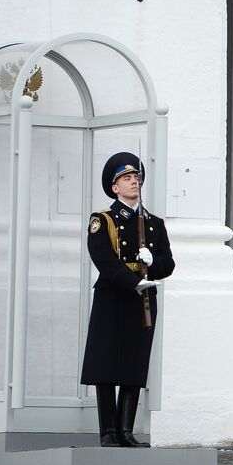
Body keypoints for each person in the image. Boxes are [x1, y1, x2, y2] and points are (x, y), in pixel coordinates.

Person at [80, 152, 174, 448]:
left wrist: (153, 261)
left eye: (136, 178)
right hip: (114, 294)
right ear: (114, 187)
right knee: (106, 362)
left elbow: (168, 264)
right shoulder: (102, 220)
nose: (134, 182)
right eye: (126, 178)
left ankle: (125, 430)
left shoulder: (154, 224)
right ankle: (108, 432)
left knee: (135, 362)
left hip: (142, 297)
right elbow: (104, 260)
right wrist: (132, 282)